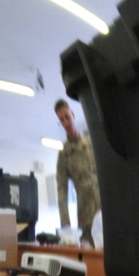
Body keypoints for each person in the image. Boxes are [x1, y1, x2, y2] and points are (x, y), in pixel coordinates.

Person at [54, 98, 101, 246]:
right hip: (85, 216)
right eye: (62, 120)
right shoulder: (64, 155)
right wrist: (65, 221)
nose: (66, 122)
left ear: (73, 115)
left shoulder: (93, 143)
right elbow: (62, 190)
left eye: (67, 117)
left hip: (104, 210)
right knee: (89, 257)